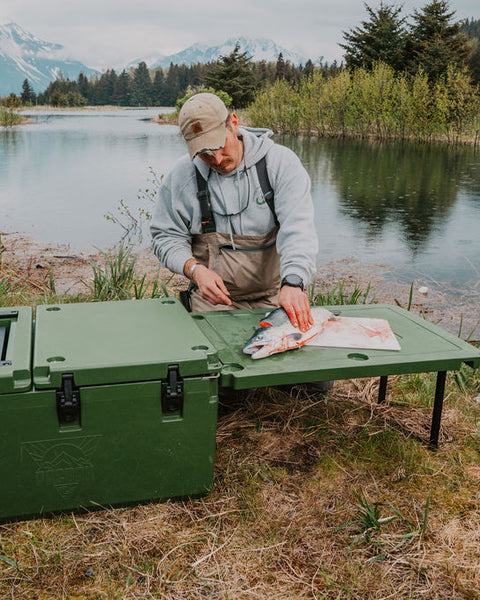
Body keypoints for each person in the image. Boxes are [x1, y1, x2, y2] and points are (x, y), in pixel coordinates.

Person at [150, 92, 318, 333]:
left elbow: (299, 232)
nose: (216, 159)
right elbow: (165, 237)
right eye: (205, 153)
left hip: (275, 298)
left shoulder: (280, 164)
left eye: (219, 145)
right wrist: (194, 270)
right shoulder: (182, 177)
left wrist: (293, 282)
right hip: (210, 303)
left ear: (234, 123)